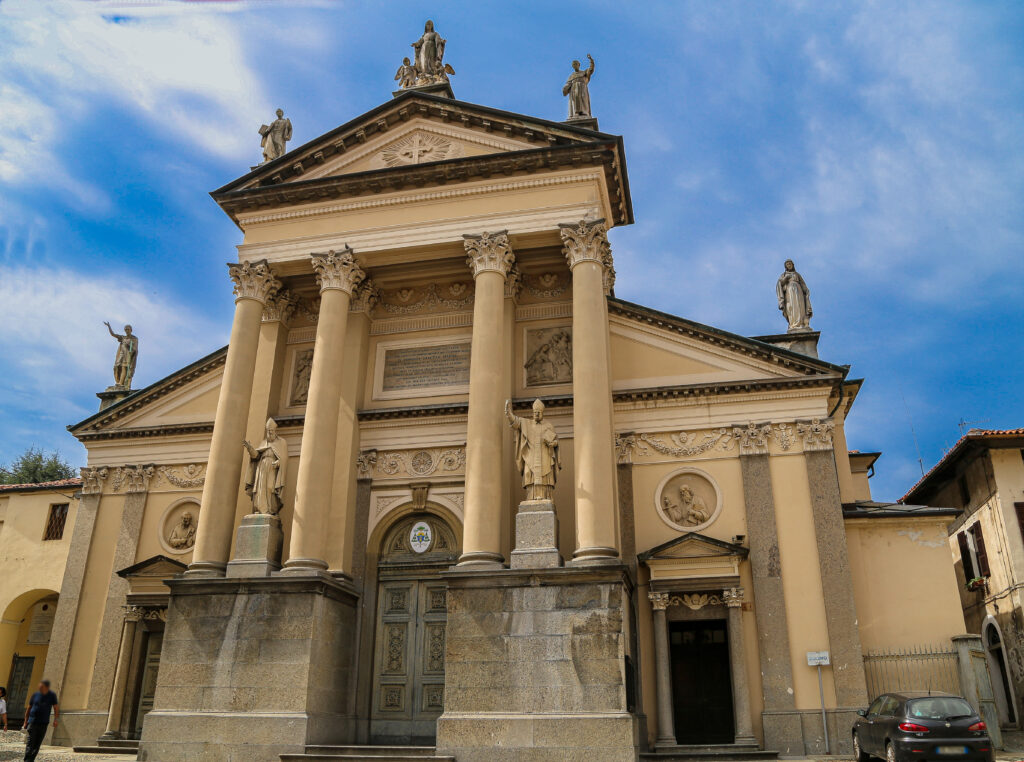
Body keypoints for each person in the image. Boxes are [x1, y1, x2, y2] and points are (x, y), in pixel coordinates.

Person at [22, 679, 58, 762]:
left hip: (44, 723)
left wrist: (56, 719)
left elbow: (55, 707)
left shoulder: (52, 695)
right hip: (33, 722)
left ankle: (31, 759)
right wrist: (25, 721)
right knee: (30, 742)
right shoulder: (35, 695)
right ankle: (27, 760)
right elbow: (29, 708)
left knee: (37, 744)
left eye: (42, 686)